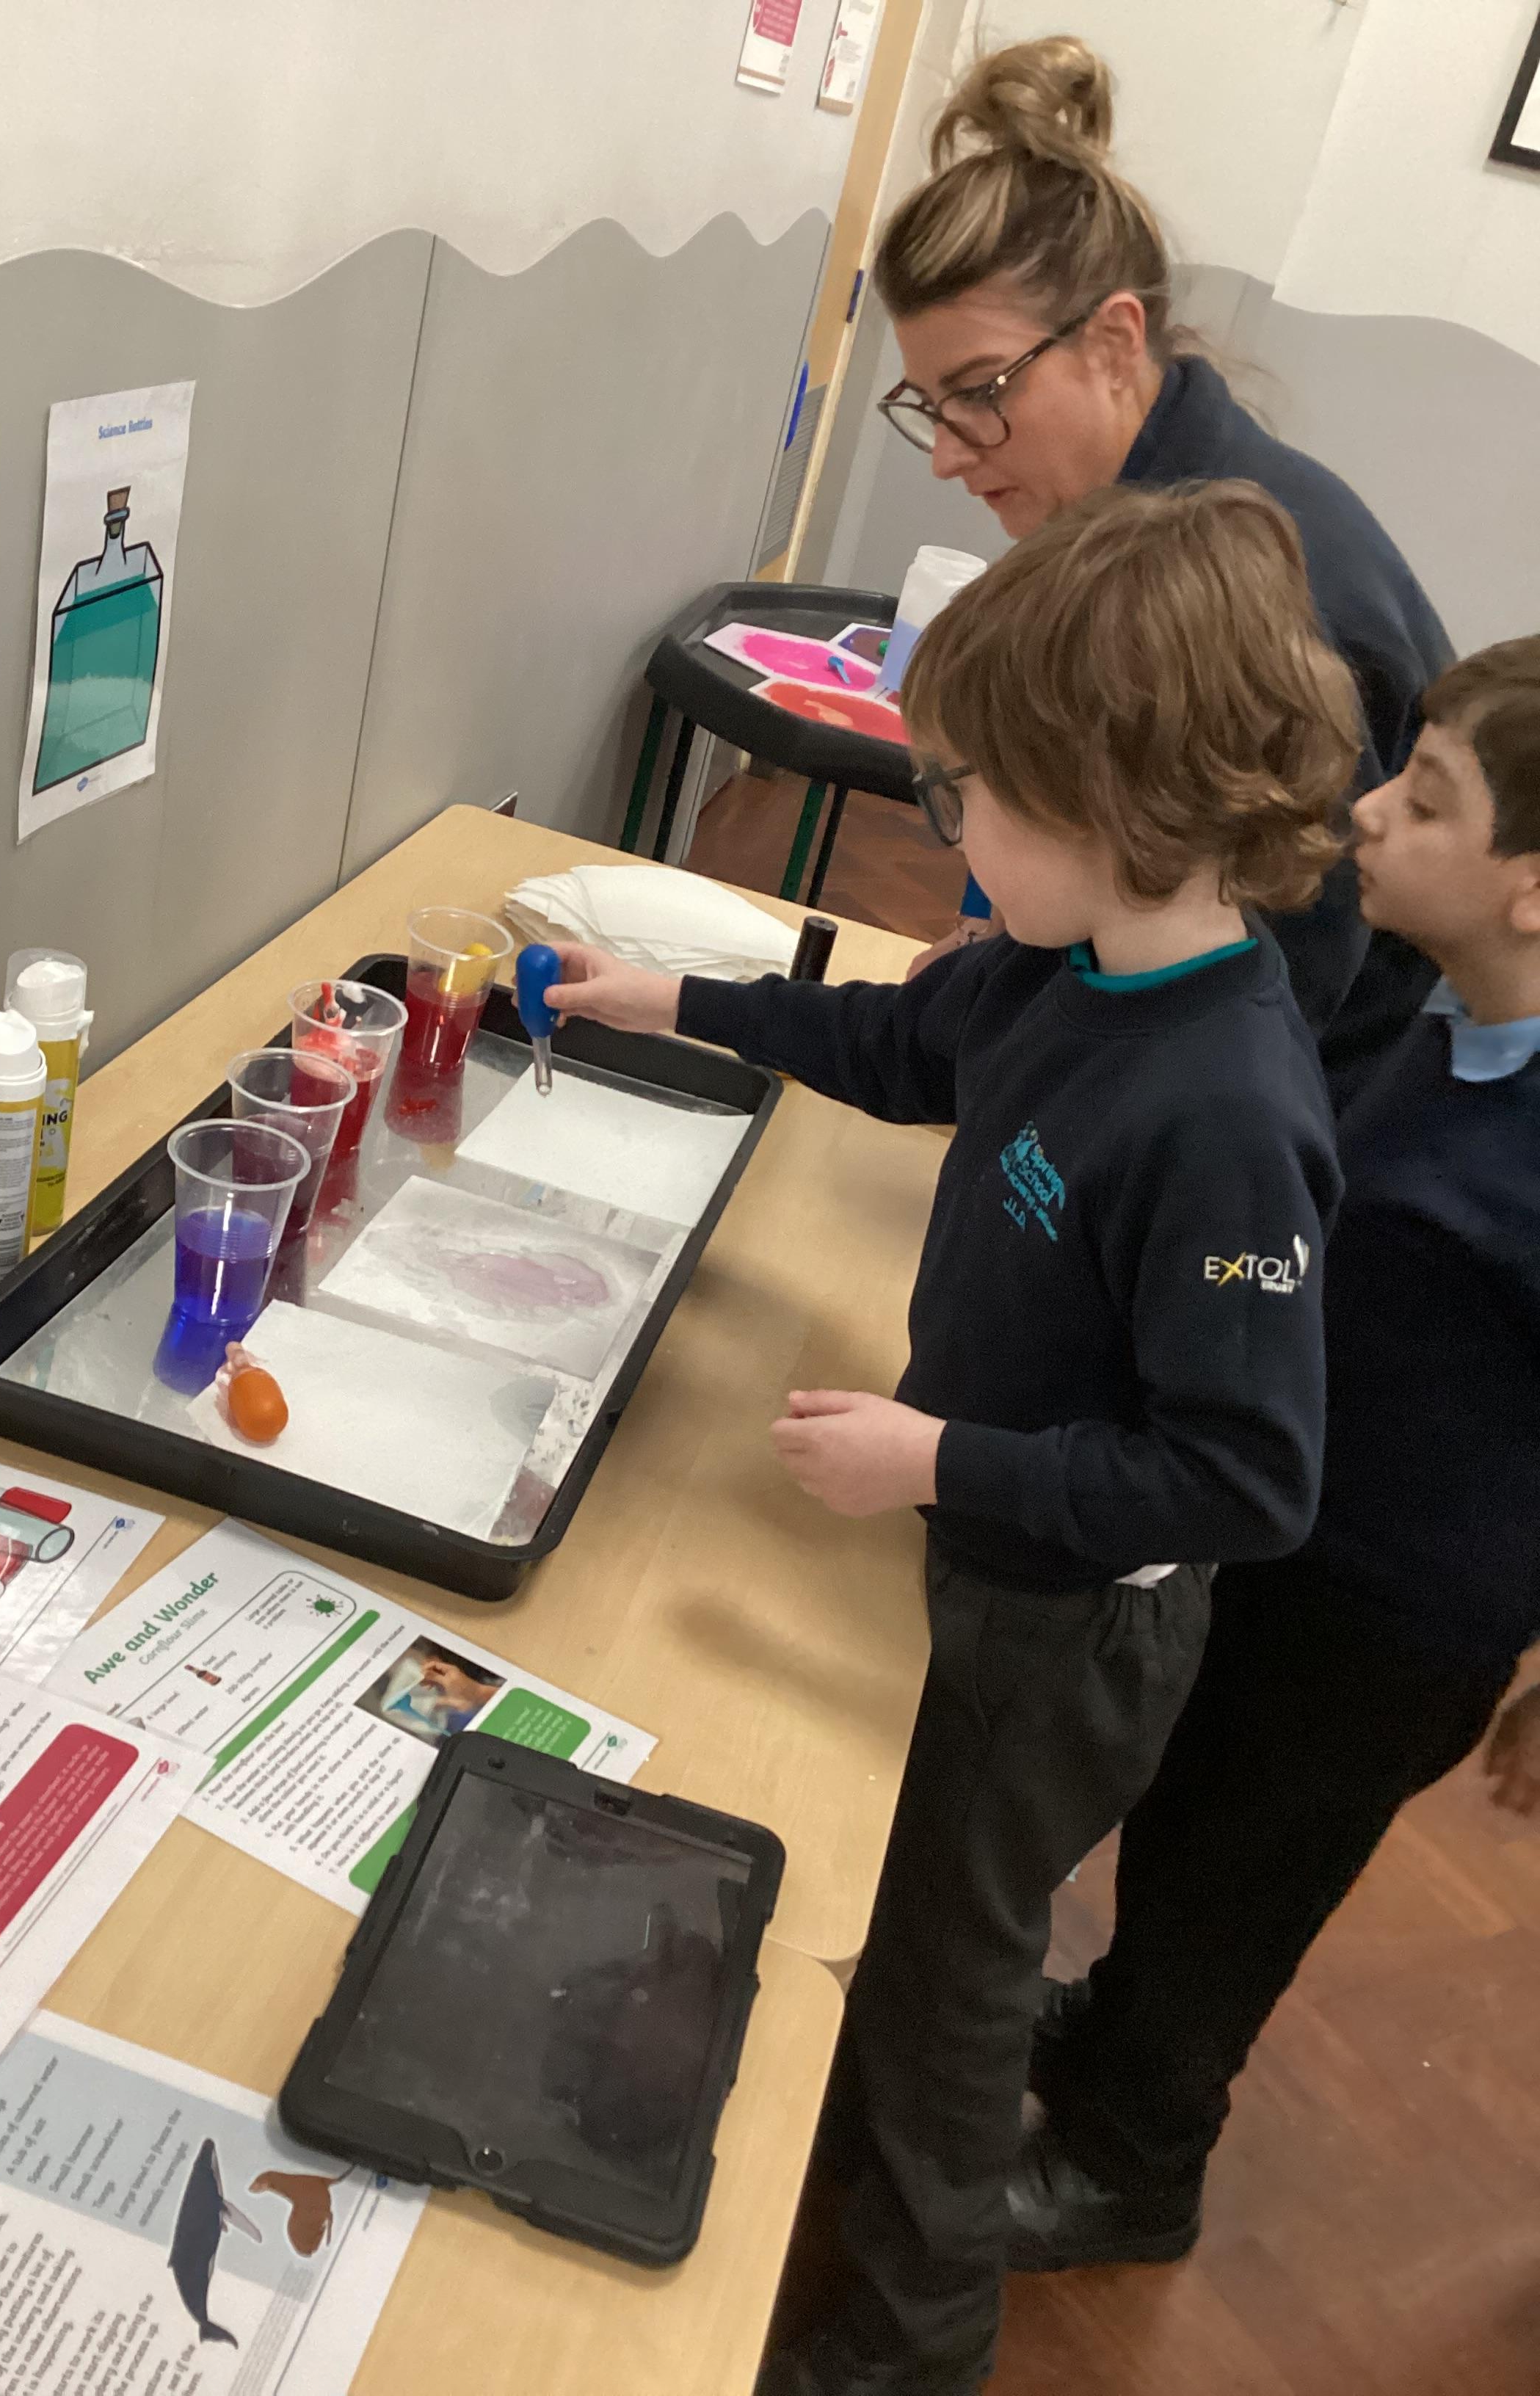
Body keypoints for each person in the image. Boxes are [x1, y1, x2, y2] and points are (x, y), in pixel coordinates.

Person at [545, 480, 1350, 2395]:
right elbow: (909, 1047)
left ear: (1115, 804)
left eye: (969, 795)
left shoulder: (1230, 1111)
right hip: (986, 1546)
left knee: (950, 1986)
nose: (946, 829)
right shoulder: (1068, 964)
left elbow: (1247, 1479)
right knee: (910, 1916)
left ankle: (913, 2345)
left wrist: (936, 1463)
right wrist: (680, 1000)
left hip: (1071, 1622)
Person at [1006, 636, 1540, 2273]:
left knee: (1243, 1877)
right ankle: (1112, 2028)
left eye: (1427, 802)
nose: (1370, 813)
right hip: (1291, 1532)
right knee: (1187, 1819)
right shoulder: (1448, 1017)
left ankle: (1135, 2163)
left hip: (1395, 1619)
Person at [877, 35, 1450, 1100]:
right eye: (927, 404)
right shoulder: (1125, 530)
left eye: (982, 392)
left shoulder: (1253, 593)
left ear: (1114, 341)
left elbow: (1265, 1015)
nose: (948, 454)